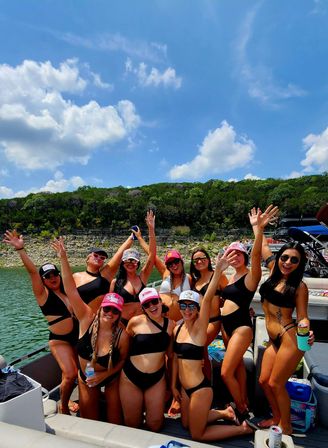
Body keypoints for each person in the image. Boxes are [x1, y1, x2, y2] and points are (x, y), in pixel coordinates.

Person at [171, 259, 254, 442]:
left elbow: (207, 298)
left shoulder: (200, 327)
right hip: (185, 389)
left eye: (191, 306)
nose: (187, 310)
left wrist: (217, 272)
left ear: (197, 309)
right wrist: (173, 385)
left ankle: (243, 430)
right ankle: (226, 412)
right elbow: (176, 358)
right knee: (185, 424)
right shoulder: (177, 329)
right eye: (183, 305)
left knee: (196, 434)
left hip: (200, 389)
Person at [52, 237, 129, 423]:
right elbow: (69, 290)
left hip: (110, 376)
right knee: (89, 420)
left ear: (120, 313)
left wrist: (132, 238)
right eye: (107, 308)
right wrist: (63, 257)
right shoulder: (86, 316)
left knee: (115, 421)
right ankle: (65, 403)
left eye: (114, 310)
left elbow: (122, 360)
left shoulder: (121, 333)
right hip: (83, 341)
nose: (110, 312)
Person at [250, 207, 314, 434]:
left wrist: (306, 339)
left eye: (294, 260)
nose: (287, 262)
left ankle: (285, 427)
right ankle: (276, 417)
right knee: (264, 382)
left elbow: (303, 317)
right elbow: (261, 250)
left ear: (300, 263)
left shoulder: (299, 287)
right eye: (284, 257)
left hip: (290, 340)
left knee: (276, 384)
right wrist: (258, 227)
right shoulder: (272, 270)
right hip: (273, 340)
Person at [3, 230, 79, 415]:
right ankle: (64, 403)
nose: (52, 278)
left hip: (77, 337)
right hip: (59, 340)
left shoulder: (67, 291)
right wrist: (21, 250)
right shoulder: (43, 295)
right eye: (47, 276)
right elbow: (32, 273)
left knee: (81, 372)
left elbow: (68, 275)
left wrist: (63, 257)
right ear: (43, 280)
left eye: (55, 274)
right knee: (70, 374)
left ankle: (76, 398)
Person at [218, 205, 278, 424]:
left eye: (238, 254)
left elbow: (256, 257)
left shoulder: (250, 277)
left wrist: (257, 229)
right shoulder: (231, 277)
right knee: (237, 368)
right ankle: (243, 399)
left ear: (244, 256)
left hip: (241, 327)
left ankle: (242, 409)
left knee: (225, 373)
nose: (233, 257)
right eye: (229, 254)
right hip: (226, 326)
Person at [119, 287, 175, 431]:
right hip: (131, 377)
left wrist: (172, 384)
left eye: (154, 301)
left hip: (156, 379)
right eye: (146, 304)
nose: (152, 306)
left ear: (160, 301)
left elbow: (171, 356)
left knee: (155, 425)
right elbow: (125, 348)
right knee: (132, 424)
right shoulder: (135, 322)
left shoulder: (171, 325)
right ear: (143, 307)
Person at [110, 210, 156, 326]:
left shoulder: (143, 277)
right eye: (127, 260)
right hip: (122, 323)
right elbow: (110, 306)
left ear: (138, 263)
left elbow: (152, 256)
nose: (130, 263)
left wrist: (151, 229)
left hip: (142, 323)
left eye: (134, 261)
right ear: (122, 263)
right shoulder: (115, 283)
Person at [73, 235, 133, 312]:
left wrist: (131, 237)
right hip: (77, 318)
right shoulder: (76, 276)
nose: (99, 258)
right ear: (88, 258)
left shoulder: (104, 275)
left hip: (99, 319)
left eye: (102, 258)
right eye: (95, 255)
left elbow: (119, 254)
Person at [159, 250, 192, 322]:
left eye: (176, 261)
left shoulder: (188, 278)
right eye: (170, 264)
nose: (174, 265)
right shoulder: (166, 277)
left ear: (181, 261)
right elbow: (153, 257)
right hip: (164, 322)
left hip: (183, 322)